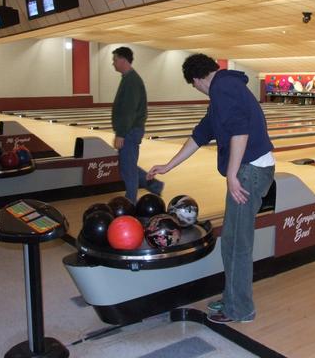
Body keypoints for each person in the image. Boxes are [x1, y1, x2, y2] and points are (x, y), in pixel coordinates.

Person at [147, 54, 275, 324]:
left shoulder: (223, 88)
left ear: (196, 79)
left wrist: (232, 175)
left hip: (249, 172)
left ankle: (240, 309)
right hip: (249, 169)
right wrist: (168, 166)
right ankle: (232, 299)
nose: (198, 90)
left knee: (237, 244)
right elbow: (200, 135)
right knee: (231, 241)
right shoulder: (223, 90)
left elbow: (240, 131)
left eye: (194, 86)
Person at [111, 46, 163, 203]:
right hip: (130, 130)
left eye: (115, 60)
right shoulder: (128, 78)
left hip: (130, 131)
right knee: (127, 166)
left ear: (123, 60)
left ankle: (131, 201)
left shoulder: (131, 81)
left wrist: (121, 134)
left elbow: (129, 110)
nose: (113, 63)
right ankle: (155, 186)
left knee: (128, 169)